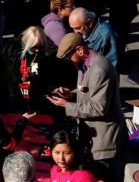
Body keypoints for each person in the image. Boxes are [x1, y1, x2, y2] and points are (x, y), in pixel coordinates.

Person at [47, 33, 127, 166]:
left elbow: (99, 108)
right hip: (93, 135)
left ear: (80, 50)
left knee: (104, 179)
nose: (69, 60)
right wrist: (72, 94)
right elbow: (90, 90)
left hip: (104, 140)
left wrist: (67, 105)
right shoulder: (84, 63)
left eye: (69, 57)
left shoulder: (99, 70)